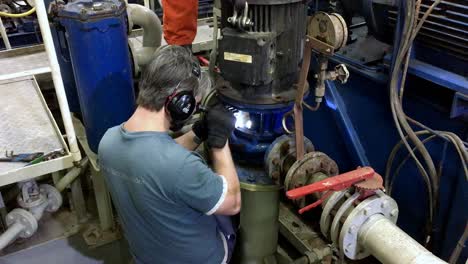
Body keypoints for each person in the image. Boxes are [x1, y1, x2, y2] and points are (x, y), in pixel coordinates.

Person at [98, 45, 241, 264]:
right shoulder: (183, 167)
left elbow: (158, 161)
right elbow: (232, 202)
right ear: (181, 104)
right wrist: (220, 144)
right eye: (194, 103)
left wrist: (199, 131)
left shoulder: (107, 142)